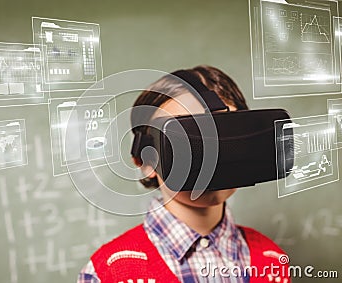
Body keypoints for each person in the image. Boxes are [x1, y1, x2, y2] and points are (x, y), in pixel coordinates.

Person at [78, 66, 290, 283]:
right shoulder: (109, 272)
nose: (211, 157)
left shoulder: (272, 260)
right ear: (145, 161)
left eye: (225, 135)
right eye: (187, 138)